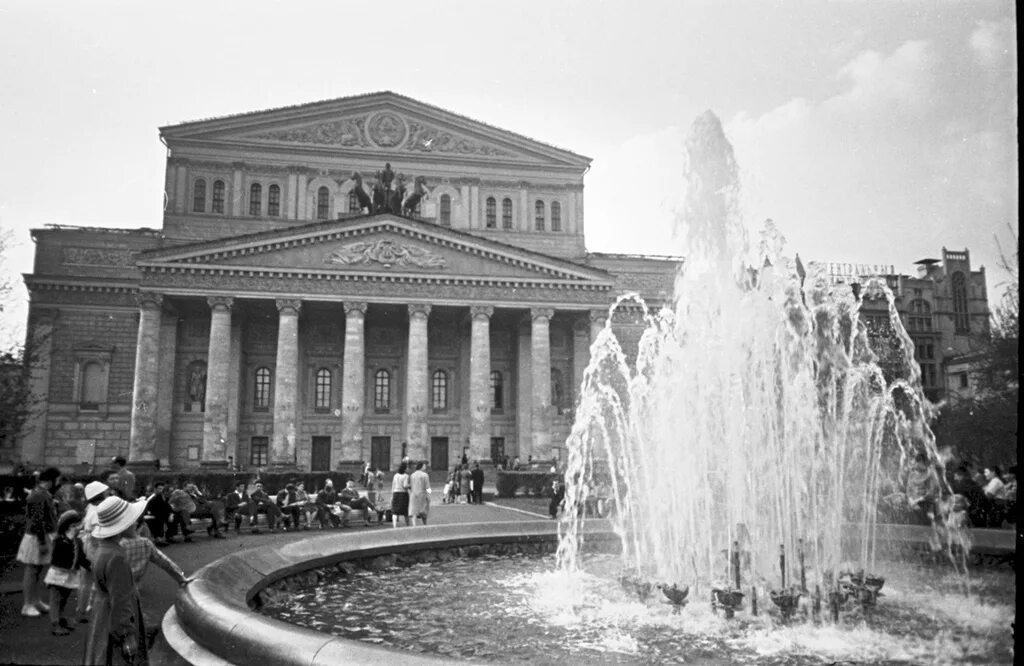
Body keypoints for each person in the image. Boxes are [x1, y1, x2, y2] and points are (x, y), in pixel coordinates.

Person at [82, 496, 161, 665]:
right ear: (121, 527)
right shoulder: (118, 557)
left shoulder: (103, 550)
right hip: (114, 618)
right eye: (132, 521)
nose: (136, 524)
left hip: (102, 614)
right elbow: (121, 600)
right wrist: (127, 635)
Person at [120, 515, 192, 640]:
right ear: (138, 526)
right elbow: (165, 562)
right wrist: (181, 578)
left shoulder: (118, 546)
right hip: (134, 583)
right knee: (134, 608)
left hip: (117, 584)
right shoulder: (145, 544)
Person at [18, 466, 61, 618]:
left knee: (37, 570)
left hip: (41, 536)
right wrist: (43, 542)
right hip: (37, 537)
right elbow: (37, 521)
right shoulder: (39, 495)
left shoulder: (42, 494)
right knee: (32, 570)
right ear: (51, 480)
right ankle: (27, 604)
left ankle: (35, 600)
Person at [45, 510, 86, 636]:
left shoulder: (77, 541)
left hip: (70, 575)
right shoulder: (60, 541)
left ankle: (60, 618)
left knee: (64, 598)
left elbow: (82, 557)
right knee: (56, 599)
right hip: (58, 574)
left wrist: (90, 566)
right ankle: (55, 623)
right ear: (69, 526)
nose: (80, 528)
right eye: (76, 525)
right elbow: (55, 558)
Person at [906, 454, 941, 525]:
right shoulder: (912, 474)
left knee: (925, 514)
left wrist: (917, 500)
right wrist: (910, 499)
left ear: (923, 462)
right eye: (915, 462)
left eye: (917, 462)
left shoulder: (931, 473)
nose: (915, 464)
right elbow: (908, 489)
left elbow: (933, 491)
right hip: (914, 500)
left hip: (927, 502)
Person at [391, 463, 411, 528]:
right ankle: (407, 525)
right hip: (403, 494)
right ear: (405, 469)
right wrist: (410, 485)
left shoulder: (395, 475)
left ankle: (394, 525)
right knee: (405, 511)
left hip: (396, 493)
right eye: (407, 468)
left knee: (395, 511)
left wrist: (392, 494)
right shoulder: (406, 476)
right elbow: (405, 486)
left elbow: (393, 485)